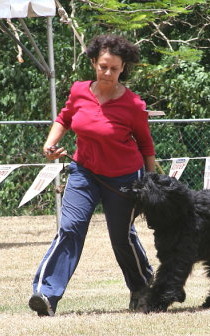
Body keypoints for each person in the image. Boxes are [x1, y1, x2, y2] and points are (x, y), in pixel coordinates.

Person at [28, 34, 155, 316]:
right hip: (84, 172)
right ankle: (46, 295)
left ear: (123, 69)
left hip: (124, 179)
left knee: (121, 237)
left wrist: (149, 184)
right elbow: (64, 119)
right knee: (70, 229)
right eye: (102, 66)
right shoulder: (79, 91)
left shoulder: (133, 104)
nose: (107, 72)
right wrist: (49, 145)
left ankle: (143, 287)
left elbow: (146, 145)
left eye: (114, 68)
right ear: (94, 63)